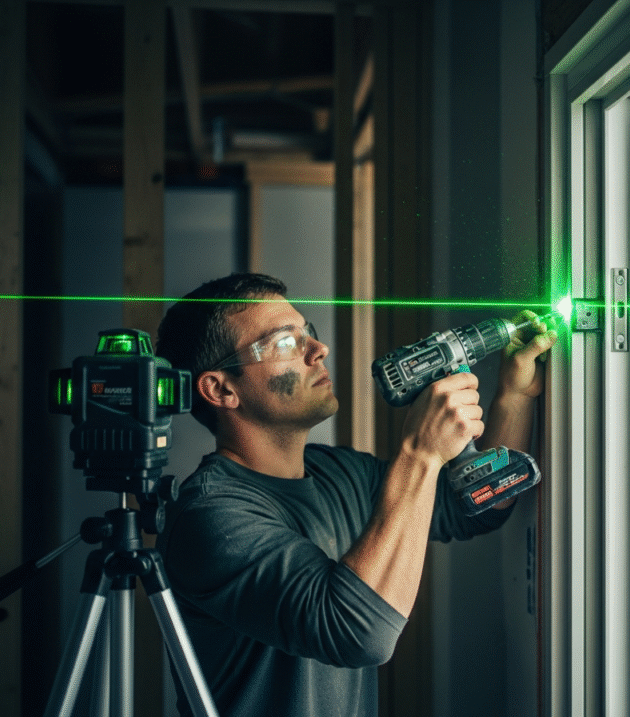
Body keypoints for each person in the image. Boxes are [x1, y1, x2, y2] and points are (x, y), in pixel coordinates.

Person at [154, 273, 556, 717]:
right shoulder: (209, 517)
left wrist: (516, 394)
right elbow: (358, 633)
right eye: (285, 343)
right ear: (221, 389)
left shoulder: (337, 472)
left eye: (308, 332)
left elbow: (477, 504)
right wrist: (420, 453)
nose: (317, 349)